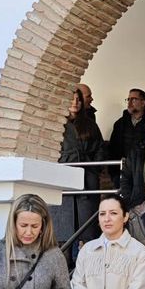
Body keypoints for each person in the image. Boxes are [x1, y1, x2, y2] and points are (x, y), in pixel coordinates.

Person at [56, 84, 106, 251]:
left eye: (78, 99)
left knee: (87, 228)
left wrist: (94, 169)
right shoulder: (56, 125)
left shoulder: (90, 124)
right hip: (63, 177)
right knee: (63, 228)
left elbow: (100, 149)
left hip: (87, 178)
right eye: (72, 99)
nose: (75, 102)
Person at [108, 88, 145, 180]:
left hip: (143, 170)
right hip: (121, 169)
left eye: (134, 99)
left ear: (143, 103)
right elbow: (113, 147)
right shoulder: (120, 123)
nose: (129, 102)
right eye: (128, 99)